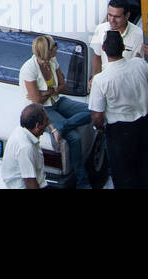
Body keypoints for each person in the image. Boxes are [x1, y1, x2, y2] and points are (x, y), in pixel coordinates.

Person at [88, 30, 148, 189]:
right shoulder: (140, 64)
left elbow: (97, 116)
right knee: (144, 169)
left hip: (119, 132)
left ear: (104, 49)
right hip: (143, 125)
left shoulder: (100, 80)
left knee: (123, 175)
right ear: (123, 47)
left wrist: (100, 128)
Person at [21, 35, 94, 188]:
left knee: (93, 111)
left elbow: (63, 86)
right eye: (55, 46)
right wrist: (50, 92)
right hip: (42, 109)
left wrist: (48, 92)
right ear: (47, 50)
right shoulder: (29, 69)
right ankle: (83, 181)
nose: (57, 48)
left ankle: (61, 126)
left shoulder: (53, 61)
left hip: (57, 101)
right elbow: (36, 101)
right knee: (74, 138)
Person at [88, 0, 148, 86]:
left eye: (117, 17)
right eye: (109, 15)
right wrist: (95, 78)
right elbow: (97, 56)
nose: (112, 20)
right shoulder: (100, 29)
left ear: (127, 16)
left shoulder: (139, 36)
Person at [0, 103, 51, 189]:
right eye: (46, 120)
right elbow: (30, 182)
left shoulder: (20, 130)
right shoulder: (25, 147)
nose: (48, 122)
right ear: (37, 126)